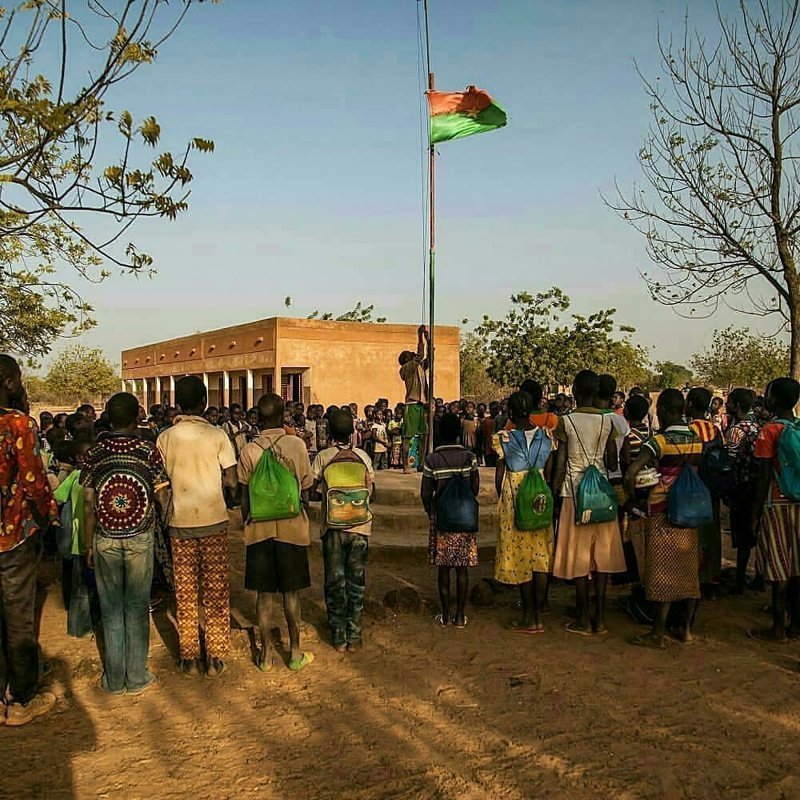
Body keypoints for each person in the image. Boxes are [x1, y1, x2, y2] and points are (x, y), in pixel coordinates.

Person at [81, 393, 169, 694]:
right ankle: (136, 676)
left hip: (104, 537)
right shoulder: (148, 450)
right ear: (136, 418)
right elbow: (160, 494)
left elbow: (88, 502)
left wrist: (87, 544)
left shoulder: (95, 453)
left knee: (110, 609)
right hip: (140, 537)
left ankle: (114, 679)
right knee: (135, 606)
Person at [157, 376, 238, 678]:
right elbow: (231, 478)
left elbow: (161, 483)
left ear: (177, 403)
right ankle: (215, 656)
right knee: (216, 589)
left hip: (180, 523)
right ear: (205, 403)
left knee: (185, 591)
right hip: (213, 520)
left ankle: (189, 657)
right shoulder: (217, 435)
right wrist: (229, 494)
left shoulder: (165, 437)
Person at [238, 393, 314, 671]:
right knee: (291, 594)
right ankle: (295, 652)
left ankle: (266, 654)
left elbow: (243, 496)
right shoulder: (295, 445)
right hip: (291, 530)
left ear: (257, 418)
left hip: (259, 531)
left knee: (264, 595)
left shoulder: (248, 450)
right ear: (284, 416)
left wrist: (247, 521)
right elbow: (306, 484)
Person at [0, 354, 57, 726]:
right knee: (19, 614)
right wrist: (49, 514)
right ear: (8, 382)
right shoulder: (18, 424)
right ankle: (21, 698)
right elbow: (35, 482)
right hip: (13, 533)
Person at [624, 389, 704, 649]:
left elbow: (632, 472)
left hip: (662, 509)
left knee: (661, 572)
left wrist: (633, 498)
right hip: (690, 509)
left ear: (668, 410)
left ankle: (657, 633)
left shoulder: (659, 441)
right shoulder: (696, 438)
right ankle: (686, 629)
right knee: (689, 570)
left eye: (659, 410)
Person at [553, 370, 625, 636]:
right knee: (602, 557)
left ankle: (583, 618)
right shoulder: (609, 422)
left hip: (573, 493)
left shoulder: (566, 421)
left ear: (574, 391)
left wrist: (553, 492)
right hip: (602, 493)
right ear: (596, 392)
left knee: (580, 558)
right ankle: (601, 618)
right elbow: (613, 461)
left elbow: (560, 463)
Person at [311, 409, 374, 652]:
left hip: (332, 527)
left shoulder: (323, 457)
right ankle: (355, 635)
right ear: (352, 433)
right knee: (356, 581)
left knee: (334, 579)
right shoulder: (363, 457)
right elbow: (372, 492)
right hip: (360, 527)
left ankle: (337, 634)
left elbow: (312, 488)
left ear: (329, 432)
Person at [494, 391, 555, 633]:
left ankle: (528, 616)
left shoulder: (503, 438)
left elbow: (500, 475)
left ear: (510, 411)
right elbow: (549, 471)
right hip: (539, 495)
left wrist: (502, 499)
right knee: (540, 556)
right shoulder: (546, 436)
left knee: (520, 557)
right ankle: (539, 613)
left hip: (515, 495)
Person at [749, 378, 800, 642]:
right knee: (797, 567)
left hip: (776, 504)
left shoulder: (768, 431)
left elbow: (763, 477)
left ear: (773, 400)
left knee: (780, 566)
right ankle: (795, 624)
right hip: (799, 502)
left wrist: (754, 515)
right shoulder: (798, 427)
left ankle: (778, 628)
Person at [422, 412, 480, 628]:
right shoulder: (469, 457)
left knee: (444, 568)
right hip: (464, 519)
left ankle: (445, 614)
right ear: (458, 432)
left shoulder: (432, 459)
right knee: (462, 568)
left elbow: (426, 492)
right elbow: (474, 487)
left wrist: (431, 512)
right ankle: (460, 616)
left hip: (442, 520)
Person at [686, 387, 723, 595]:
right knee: (712, 532)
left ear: (690, 404)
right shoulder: (714, 429)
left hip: (692, 488)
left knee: (693, 535)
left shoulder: (689, 428)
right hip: (712, 486)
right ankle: (711, 577)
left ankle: (693, 578)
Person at [725, 388, 761, 595]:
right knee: (752, 533)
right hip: (756, 487)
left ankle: (739, 581)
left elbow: (730, 462)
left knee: (741, 534)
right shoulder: (758, 428)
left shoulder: (736, 431)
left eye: (730, 403)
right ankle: (756, 577)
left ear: (737, 406)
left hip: (741, 488)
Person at [399, 325, 430, 473]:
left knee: (424, 435)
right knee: (408, 437)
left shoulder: (418, 368)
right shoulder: (407, 368)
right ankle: (406, 464)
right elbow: (420, 354)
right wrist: (420, 336)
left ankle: (421, 463)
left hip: (420, 405)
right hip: (411, 405)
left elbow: (428, 358)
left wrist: (429, 340)